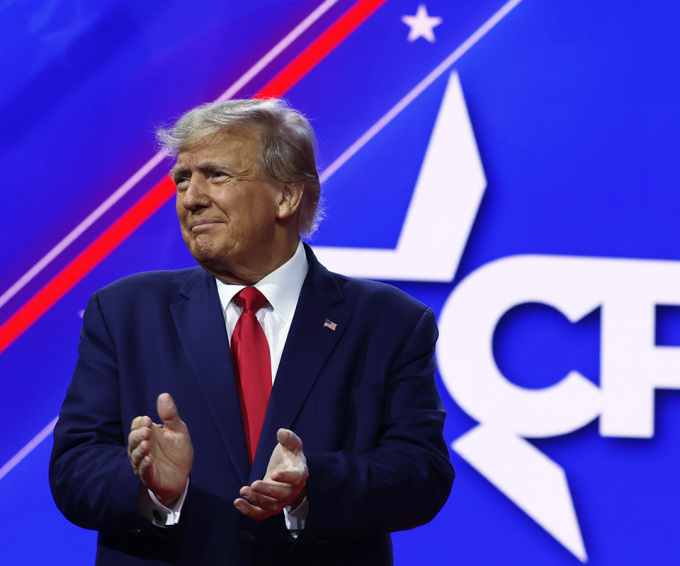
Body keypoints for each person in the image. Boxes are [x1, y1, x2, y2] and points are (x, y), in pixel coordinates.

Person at [49, 98, 454, 565]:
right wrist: (152, 489)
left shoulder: (388, 321)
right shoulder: (123, 313)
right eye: (183, 179)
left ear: (287, 196)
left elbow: (422, 473)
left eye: (216, 175)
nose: (191, 197)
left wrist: (310, 485)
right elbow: (74, 466)